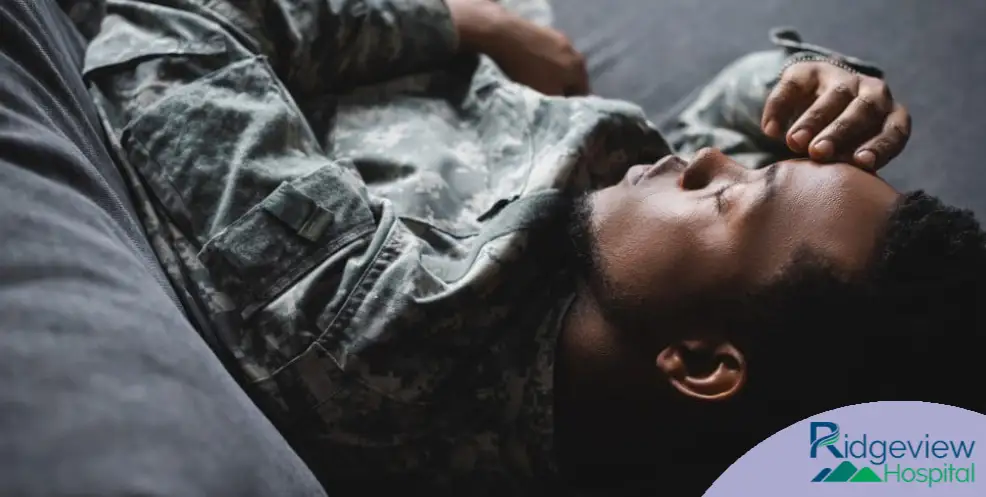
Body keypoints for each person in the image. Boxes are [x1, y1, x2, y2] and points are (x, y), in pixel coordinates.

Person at [68, 0, 985, 495]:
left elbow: (168, 29)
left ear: (701, 362)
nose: (705, 158)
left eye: (734, 194)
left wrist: (463, 23)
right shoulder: (638, 303)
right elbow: (737, 120)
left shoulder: (375, 317)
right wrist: (836, 89)